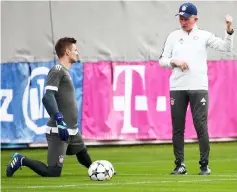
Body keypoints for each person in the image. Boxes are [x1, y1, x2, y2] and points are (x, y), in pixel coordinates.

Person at [159, 2, 234, 175]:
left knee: (201, 126)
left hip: (198, 87)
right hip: (177, 87)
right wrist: (174, 61)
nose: (183, 22)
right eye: (181, 18)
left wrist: (229, 30)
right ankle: (180, 165)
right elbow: (162, 60)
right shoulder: (173, 36)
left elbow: (226, 48)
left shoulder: (204, 35)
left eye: (186, 19)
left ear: (195, 19)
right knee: (178, 127)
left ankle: (204, 165)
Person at [6, 37, 93, 177]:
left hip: (71, 130)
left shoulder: (65, 72)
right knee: (53, 172)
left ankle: (97, 170)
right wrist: (59, 121)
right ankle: (21, 159)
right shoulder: (57, 70)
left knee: (82, 152)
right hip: (59, 130)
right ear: (67, 52)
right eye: (75, 50)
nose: (78, 53)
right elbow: (47, 97)